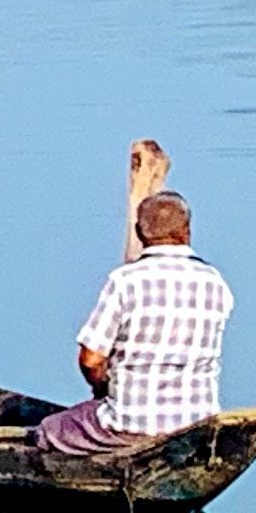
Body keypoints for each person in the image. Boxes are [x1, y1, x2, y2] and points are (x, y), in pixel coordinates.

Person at [34, 184, 232, 456]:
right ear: (186, 231)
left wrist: (101, 386)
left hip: (130, 426)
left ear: (140, 233)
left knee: (48, 430)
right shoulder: (215, 282)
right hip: (198, 425)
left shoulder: (125, 281)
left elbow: (91, 360)